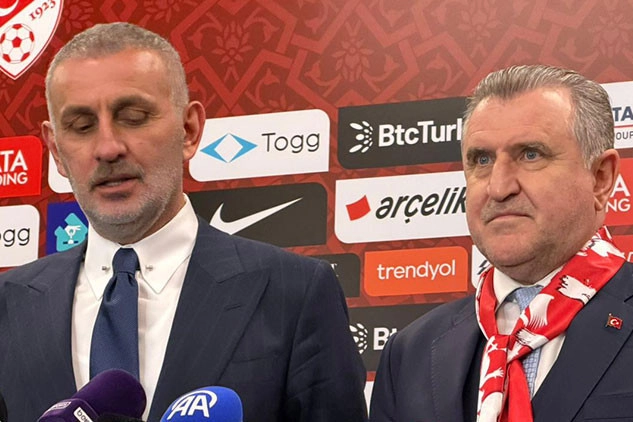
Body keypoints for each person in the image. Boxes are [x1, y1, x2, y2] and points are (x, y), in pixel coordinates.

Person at [0, 22, 367, 422]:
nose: (107, 147)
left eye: (133, 117)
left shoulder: (294, 293)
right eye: (82, 126)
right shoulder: (8, 305)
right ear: (56, 150)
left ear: (189, 130)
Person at [369, 64, 633, 422]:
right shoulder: (410, 352)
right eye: (482, 159)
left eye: (530, 155)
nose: (499, 187)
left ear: (601, 178)